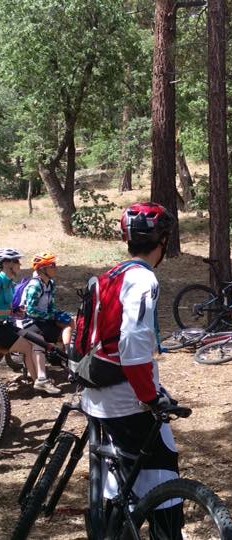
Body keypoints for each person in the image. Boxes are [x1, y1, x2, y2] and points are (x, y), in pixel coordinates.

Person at [80, 202, 183, 533]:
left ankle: (113, 529)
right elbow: (134, 346)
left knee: (120, 469)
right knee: (162, 467)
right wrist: (151, 398)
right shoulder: (142, 279)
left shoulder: (111, 275)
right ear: (163, 240)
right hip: (126, 397)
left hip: (96, 393)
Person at [21, 252, 74, 394]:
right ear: (42, 269)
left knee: (69, 323)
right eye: (52, 265)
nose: (55, 268)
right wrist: (51, 316)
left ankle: (68, 358)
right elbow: (30, 311)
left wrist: (57, 314)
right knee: (40, 341)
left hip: (43, 320)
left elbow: (51, 306)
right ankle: (45, 376)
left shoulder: (50, 284)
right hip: (29, 322)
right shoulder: (35, 285)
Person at [0, 248, 38, 382]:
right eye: (16, 261)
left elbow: (9, 308)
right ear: (6, 264)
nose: (19, 264)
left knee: (33, 340)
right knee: (28, 347)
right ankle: (39, 381)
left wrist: (17, 311)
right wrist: (11, 312)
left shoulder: (10, 283)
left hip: (5, 325)